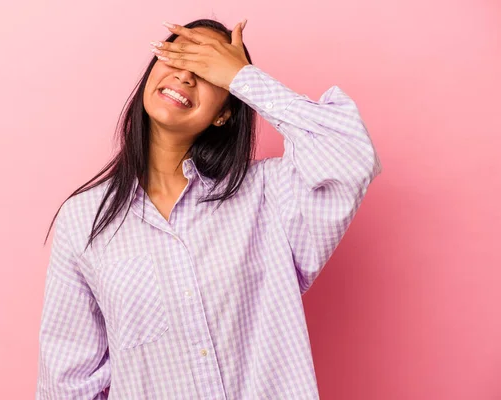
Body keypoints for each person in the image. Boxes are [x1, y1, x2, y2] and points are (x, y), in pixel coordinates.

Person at [35, 18, 382, 400]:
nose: (185, 75)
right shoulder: (83, 221)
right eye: (177, 56)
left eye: (206, 68)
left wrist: (242, 77)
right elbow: (67, 381)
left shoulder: (267, 194)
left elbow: (351, 154)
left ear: (225, 112)